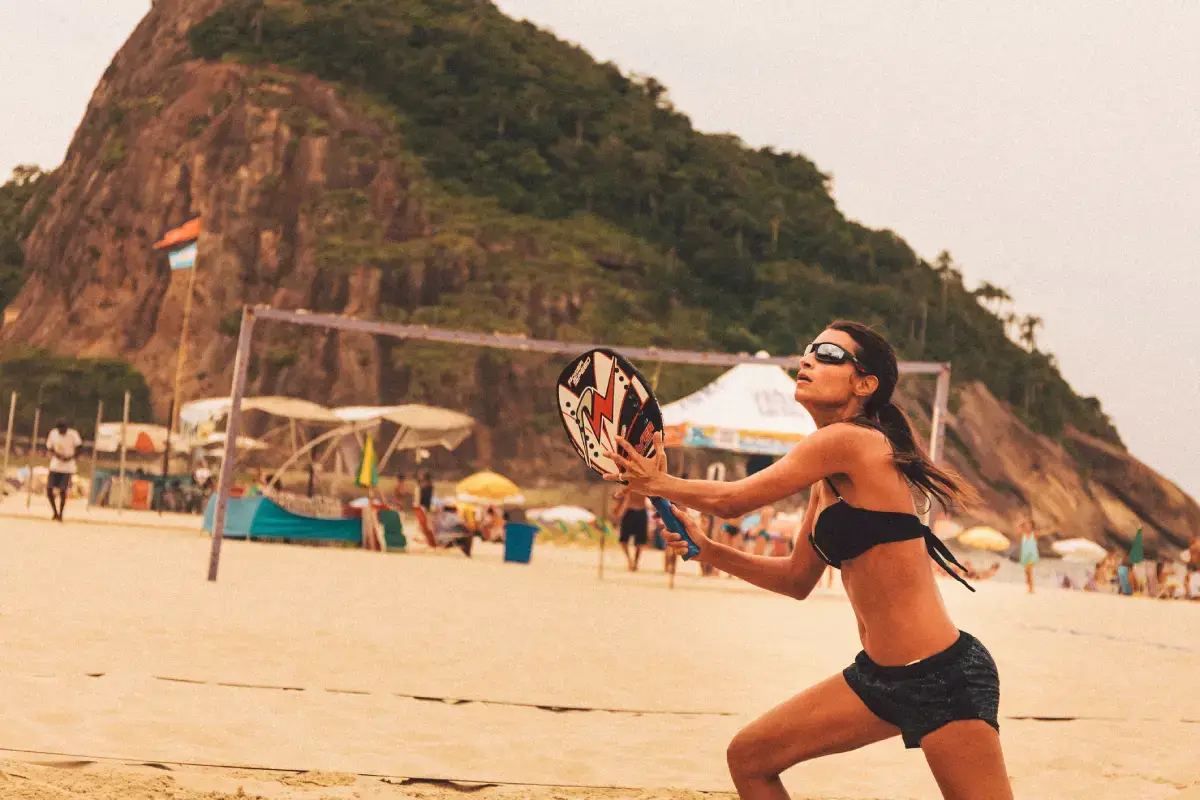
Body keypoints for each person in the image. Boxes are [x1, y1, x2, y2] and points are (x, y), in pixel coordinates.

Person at [605, 320, 1010, 799]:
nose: (807, 359)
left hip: (942, 676)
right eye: (808, 350)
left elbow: (734, 501)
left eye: (828, 354)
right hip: (877, 680)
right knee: (750, 759)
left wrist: (656, 483)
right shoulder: (827, 477)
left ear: (864, 384)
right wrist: (711, 551)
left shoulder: (852, 441)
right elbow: (796, 579)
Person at [45, 419, 83, 521]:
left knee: (63, 490)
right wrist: (57, 455)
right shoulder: (53, 434)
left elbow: (79, 447)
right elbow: (50, 447)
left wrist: (71, 457)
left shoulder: (73, 434)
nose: (62, 431)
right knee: (49, 489)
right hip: (55, 466)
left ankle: (61, 514)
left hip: (68, 467)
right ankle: (55, 512)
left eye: (64, 429)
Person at [614, 489, 650, 571]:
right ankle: (634, 562)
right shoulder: (645, 486)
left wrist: (620, 513)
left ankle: (631, 561)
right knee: (639, 540)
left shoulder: (630, 485)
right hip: (640, 511)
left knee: (627, 539)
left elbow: (626, 500)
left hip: (631, 510)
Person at [1017, 516, 1040, 594]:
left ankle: (1031, 589)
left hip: (1032, 555)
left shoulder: (1035, 534)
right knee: (1026, 573)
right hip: (1025, 555)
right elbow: (1018, 527)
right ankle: (1029, 587)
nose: (1028, 527)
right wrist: (1023, 521)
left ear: (1032, 526)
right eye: (1026, 525)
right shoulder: (1022, 534)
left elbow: (1043, 533)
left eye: (1029, 525)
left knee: (1029, 571)